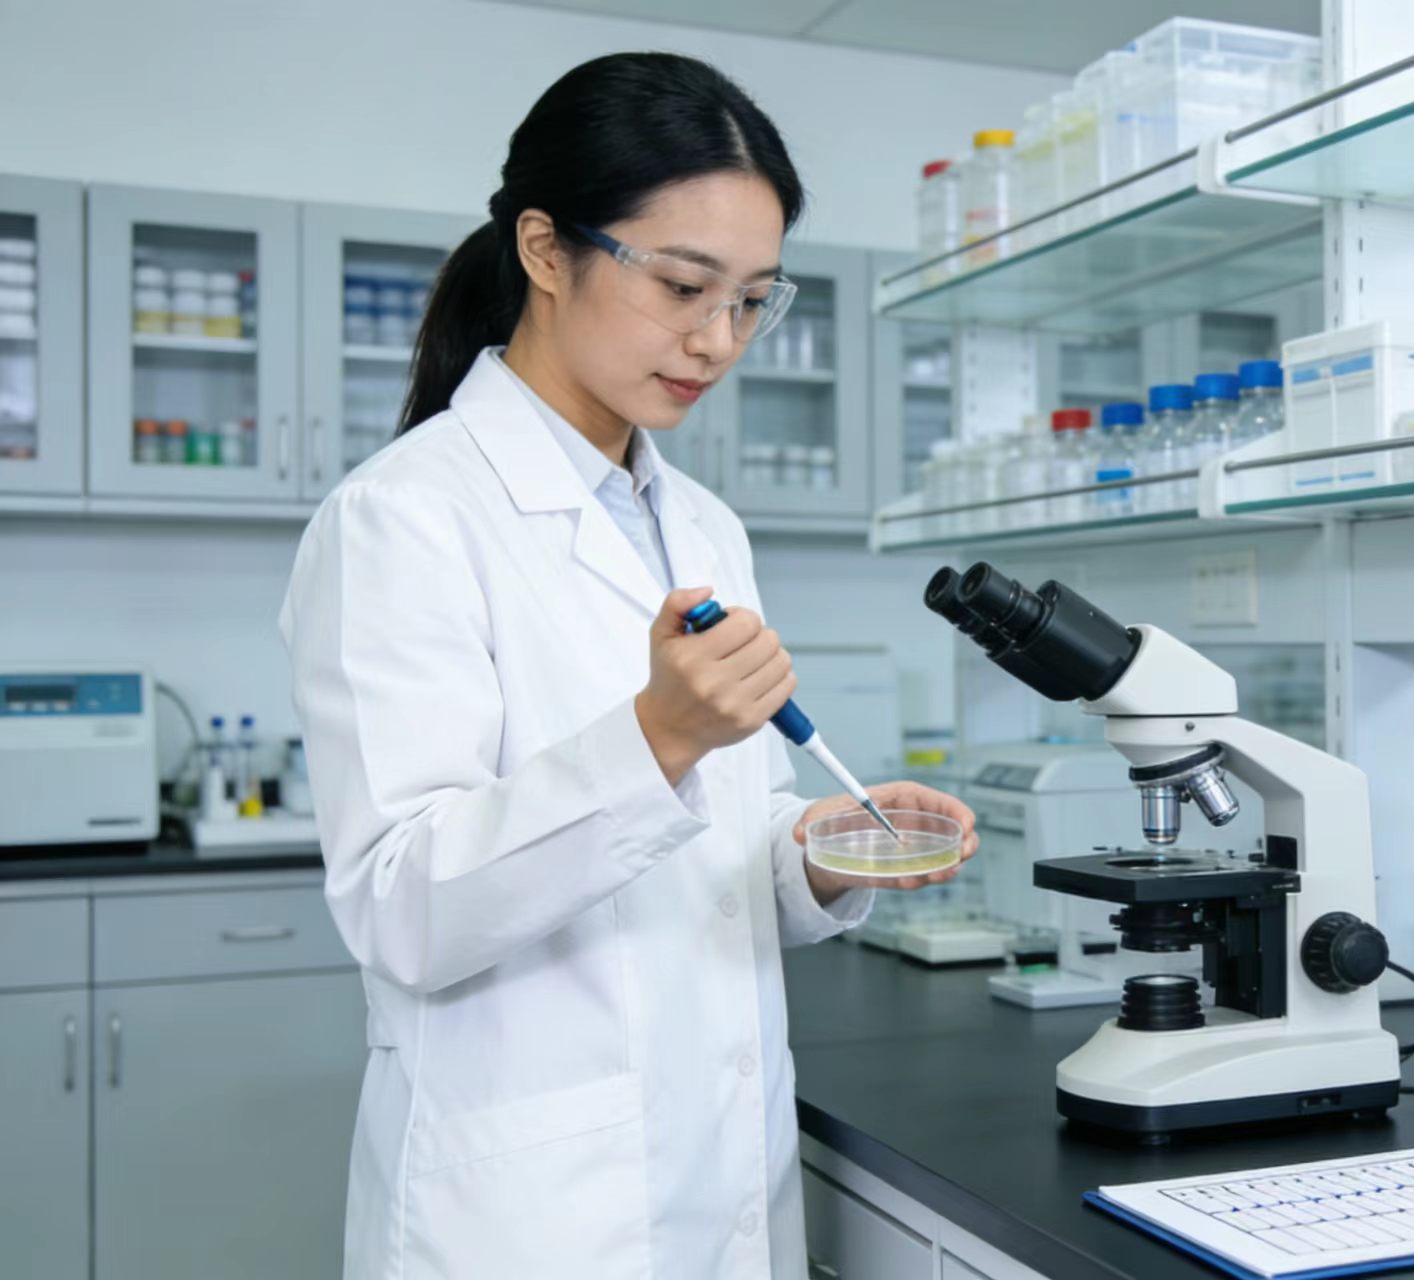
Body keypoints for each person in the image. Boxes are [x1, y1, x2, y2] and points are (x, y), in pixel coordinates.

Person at [279, 52, 976, 1280]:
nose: (717, 339)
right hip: (533, 1208)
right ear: (545, 250)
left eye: (752, 300)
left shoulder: (700, 525)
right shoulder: (404, 517)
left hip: (722, 1166)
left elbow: (714, 851)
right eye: (683, 285)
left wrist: (811, 849)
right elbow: (402, 905)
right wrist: (660, 736)